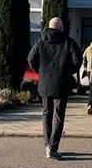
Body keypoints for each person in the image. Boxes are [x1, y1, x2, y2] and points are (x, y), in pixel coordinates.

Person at [27, 17, 82, 160]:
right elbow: (78, 60)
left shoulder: (41, 41)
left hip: (45, 84)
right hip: (61, 84)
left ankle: (47, 145)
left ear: (49, 27)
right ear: (61, 28)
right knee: (58, 116)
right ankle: (53, 147)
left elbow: (30, 59)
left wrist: (41, 71)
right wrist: (67, 71)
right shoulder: (68, 42)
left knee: (46, 114)